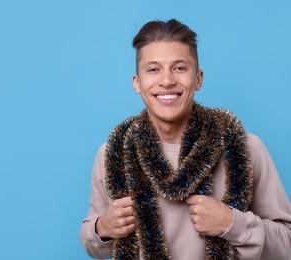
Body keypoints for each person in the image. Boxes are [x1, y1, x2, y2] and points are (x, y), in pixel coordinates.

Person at [79, 19, 291, 259]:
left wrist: (233, 223)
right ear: (137, 83)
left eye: (180, 68)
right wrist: (103, 228)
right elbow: (92, 242)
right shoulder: (113, 153)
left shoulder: (245, 148)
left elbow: (287, 243)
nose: (167, 80)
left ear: (198, 79)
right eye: (153, 69)